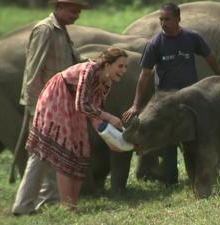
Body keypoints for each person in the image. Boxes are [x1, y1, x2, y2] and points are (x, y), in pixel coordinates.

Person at [122, 2, 220, 185]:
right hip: (166, 101)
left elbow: (210, 57)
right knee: (168, 143)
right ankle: (170, 180)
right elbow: (144, 76)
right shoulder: (155, 43)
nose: (163, 23)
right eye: (161, 19)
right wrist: (136, 104)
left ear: (178, 19)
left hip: (191, 98)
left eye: (167, 19)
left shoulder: (192, 38)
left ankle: (197, 177)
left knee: (195, 139)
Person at [25, 47, 128, 210]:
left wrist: (111, 138)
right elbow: (82, 104)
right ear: (107, 65)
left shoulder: (107, 83)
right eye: (120, 66)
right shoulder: (90, 70)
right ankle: (67, 206)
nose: (124, 70)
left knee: (82, 150)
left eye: (125, 67)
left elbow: (94, 113)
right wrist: (109, 117)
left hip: (74, 105)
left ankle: (71, 204)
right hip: (58, 97)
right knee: (67, 148)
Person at [12, 0, 88, 215]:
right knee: (40, 153)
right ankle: (23, 204)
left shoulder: (62, 31)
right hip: (45, 102)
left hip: (58, 101)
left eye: (79, 12)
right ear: (59, 8)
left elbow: (72, 62)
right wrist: (36, 106)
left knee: (53, 151)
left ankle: (48, 199)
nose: (76, 15)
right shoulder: (44, 30)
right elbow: (33, 69)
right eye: (73, 11)